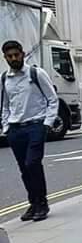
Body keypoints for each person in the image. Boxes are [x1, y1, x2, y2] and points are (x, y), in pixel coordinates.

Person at [1, 40, 59, 222]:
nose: (13, 59)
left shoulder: (36, 73)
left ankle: (42, 203)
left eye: (16, 55)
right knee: (24, 169)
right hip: (15, 130)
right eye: (9, 56)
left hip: (36, 126)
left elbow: (52, 99)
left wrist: (47, 124)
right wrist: (6, 126)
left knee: (32, 163)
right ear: (5, 58)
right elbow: (5, 105)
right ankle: (33, 203)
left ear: (23, 54)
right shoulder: (4, 79)